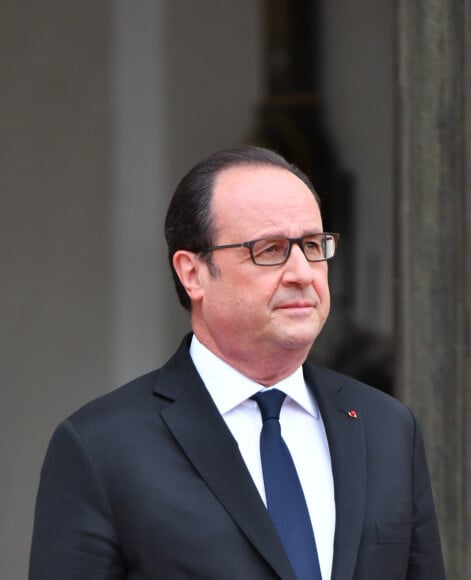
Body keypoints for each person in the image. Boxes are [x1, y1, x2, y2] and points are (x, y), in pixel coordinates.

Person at [29, 145, 446, 580]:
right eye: (269, 250)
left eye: (311, 245)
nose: (302, 272)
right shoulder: (101, 447)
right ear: (192, 273)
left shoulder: (387, 427)